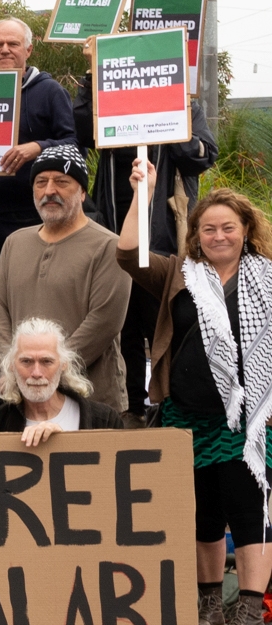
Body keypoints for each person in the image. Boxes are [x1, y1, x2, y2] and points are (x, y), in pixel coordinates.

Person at [115, 162, 272, 625]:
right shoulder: (177, 275)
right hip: (185, 415)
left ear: (246, 231)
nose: (219, 236)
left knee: (248, 514)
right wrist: (144, 192)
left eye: (228, 227)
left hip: (248, 419)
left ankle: (250, 614)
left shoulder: (268, 278)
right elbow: (126, 254)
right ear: (195, 234)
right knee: (200, 512)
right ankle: (208, 605)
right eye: (209, 228)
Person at [84, 96, 218, 413]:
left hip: (164, 245)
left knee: (164, 326)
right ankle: (131, 410)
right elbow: (79, 133)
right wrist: (91, 80)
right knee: (122, 328)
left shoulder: (186, 107)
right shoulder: (108, 103)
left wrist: (172, 119)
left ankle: (170, 408)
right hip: (115, 240)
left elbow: (202, 157)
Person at [0, 144, 131, 410]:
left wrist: (46, 371)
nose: (49, 190)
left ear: (82, 192)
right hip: (24, 401)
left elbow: (104, 321)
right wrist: (14, 372)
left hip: (91, 403)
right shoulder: (14, 243)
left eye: (62, 182)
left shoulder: (109, 246)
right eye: (41, 182)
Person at [0, 17, 80, 258]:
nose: (4, 50)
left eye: (13, 43)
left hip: (25, 214)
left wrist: (38, 147)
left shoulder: (50, 91)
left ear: (28, 50)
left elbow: (76, 146)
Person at [0, 318, 125, 442]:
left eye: (47, 361)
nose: (37, 373)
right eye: (26, 361)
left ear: (63, 364)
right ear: (12, 365)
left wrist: (62, 442)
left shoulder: (105, 421)